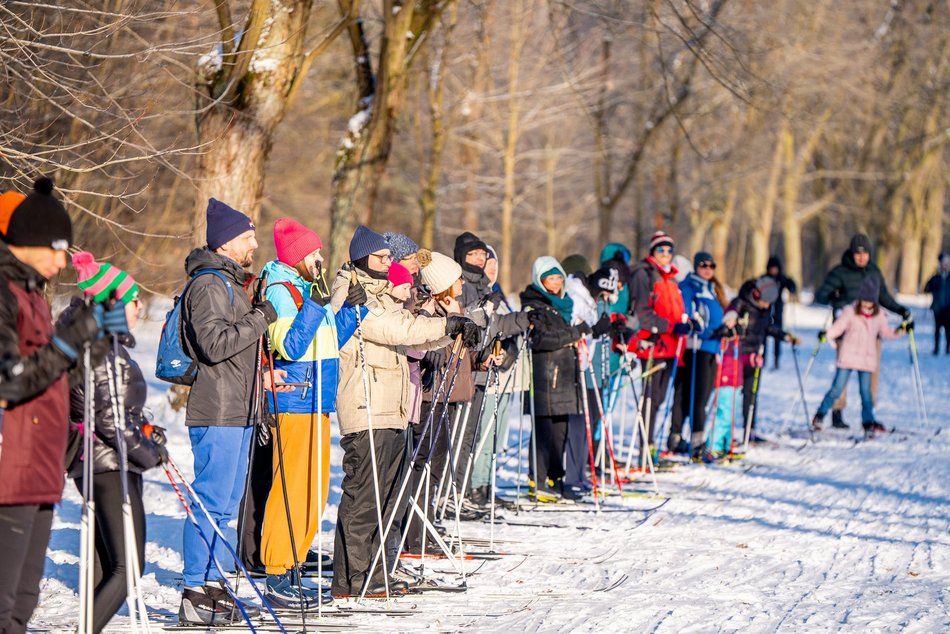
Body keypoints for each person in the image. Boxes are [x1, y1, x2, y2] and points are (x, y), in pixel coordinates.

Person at [0, 178, 121, 634]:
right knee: (4, 601)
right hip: (11, 463)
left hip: (41, 462)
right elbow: (10, 383)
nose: (61, 260)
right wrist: (70, 342)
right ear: (25, 243)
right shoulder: (4, 294)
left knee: (23, 603)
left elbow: (52, 379)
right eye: (54, 249)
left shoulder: (32, 293)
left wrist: (94, 344)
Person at [329, 226, 476, 598]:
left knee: (388, 497)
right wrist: (447, 322)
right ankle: (351, 578)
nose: (388, 263)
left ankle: (376, 572)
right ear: (363, 259)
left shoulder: (381, 293)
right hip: (366, 405)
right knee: (364, 496)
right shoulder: (351, 293)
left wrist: (451, 332)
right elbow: (393, 328)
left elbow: (412, 333)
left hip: (391, 406)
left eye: (388, 258)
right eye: (380, 258)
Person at [253, 217, 362, 609]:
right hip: (297, 397)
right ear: (297, 257)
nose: (320, 259)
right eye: (313, 253)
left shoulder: (305, 288)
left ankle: (296, 558)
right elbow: (292, 346)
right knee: (292, 486)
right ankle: (277, 567)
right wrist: (315, 306)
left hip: (319, 398)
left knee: (314, 488)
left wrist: (352, 311)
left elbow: (329, 341)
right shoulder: (284, 291)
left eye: (319, 252)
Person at [178, 199, 278, 626]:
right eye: (247, 237)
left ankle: (215, 584)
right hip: (216, 409)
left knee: (228, 503)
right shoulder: (207, 285)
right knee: (211, 501)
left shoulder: (231, 283)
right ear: (225, 244)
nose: (255, 244)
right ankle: (192, 589)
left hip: (239, 408)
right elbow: (215, 345)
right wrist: (260, 318)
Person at [62, 253, 167, 634]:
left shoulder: (97, 341)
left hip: (102, 459)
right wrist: (147, 452)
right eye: (133, 299)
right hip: (108, 463)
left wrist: (146, 432)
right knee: (128, 569)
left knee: (110, 565)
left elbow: (114, 408)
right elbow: (108, 418)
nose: (139, 305)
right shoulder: (101, 347)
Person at [815, 233, 910, 429]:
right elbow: (821, 295)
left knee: (869, 377)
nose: (861, 257)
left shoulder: (874, 272)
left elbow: (883, 297)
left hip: (871, 331)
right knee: (842, 377)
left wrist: (900, 310)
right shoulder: (839, 272)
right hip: (846, 329)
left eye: (865, 253)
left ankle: (869, 416)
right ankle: (837, 412)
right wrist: (835, 297)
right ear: (851, 254)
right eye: (858, 254)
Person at [520, 256, 588, 501]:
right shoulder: (534, 305)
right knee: (544, 431)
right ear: (540, 280)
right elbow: (541, 339)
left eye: (559, 277)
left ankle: (555, 477)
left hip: (565, 376)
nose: (556, 283)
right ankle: (536, 479)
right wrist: (575, 333)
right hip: (545, 376)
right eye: (550, 278)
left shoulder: (564, 304)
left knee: (561, 431)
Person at [811, 278, 905, 436]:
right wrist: (826, 334)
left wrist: (902, 329)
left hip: (866, 359)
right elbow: (838, 328)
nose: (867, 305)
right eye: (864, 301)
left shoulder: (879, 315)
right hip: (848, 355)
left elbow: (886, 333)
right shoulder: (850, 312)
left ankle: (868, 422)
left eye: (870, 302)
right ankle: (819, 415)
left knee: (865, 392)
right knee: (836, 389)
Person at [627, 231, 690, 454]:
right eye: (660, 250)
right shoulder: (645, 275)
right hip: (652, 345)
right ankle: (646, 447)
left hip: (671, 347)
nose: (665, 254)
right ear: (653, 252)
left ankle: (649, 445)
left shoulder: (670, 278)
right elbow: (643, 312)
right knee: (650, 399)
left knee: (659, 398)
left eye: (669, 250)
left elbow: (676, 311)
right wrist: (671, 327)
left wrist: (687, 323)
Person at [722, 276, 798, 443]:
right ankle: (725, 433)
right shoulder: (741, 302)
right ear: (757, 294)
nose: (767, 305)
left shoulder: (765, 309)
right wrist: (731, 317)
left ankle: (750, 430)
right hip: (737, 355)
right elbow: (731, 312)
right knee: (731, 395)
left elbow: (768, 327)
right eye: (765, 301)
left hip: (755, 355)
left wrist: (785, 336)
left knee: (751, 395)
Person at [669, 252, 728, 459]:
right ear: (696, 266)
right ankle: (696, 441)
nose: (708, 269)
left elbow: (717, 315)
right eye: (703, 265)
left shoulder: (711, 289)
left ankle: (688, 437)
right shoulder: (690, 286)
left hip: (712, 348)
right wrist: (698, 326)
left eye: (712, 265)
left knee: (705, 392)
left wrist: (725, 329)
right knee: (697, 395)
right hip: (696, 348)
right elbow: (687, 313)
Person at [764, 256, 797, 369]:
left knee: (778, 336)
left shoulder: (781, 280)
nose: (773, 271)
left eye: (775, 268)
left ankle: (776, 360)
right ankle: (762, 359)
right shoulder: (764, 279)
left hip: (778, 311)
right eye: (771, 268)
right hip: (765, 312)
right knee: (763, 336)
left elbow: (792, 288)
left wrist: (790, 282)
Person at [924, 253, 950, 355]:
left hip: (948, 308)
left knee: (949, 329)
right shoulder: (936, 277)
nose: (946, 265)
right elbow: (926, 288)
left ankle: (948, 348)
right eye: (945, 263)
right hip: (937, 307)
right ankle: (936, 348)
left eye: (948, 263)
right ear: (940, 264)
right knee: (937, 329)